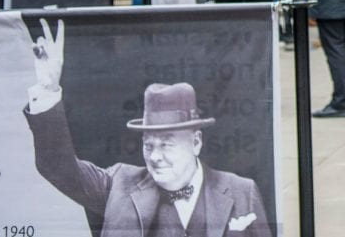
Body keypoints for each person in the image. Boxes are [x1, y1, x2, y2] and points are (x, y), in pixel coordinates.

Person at [23, 19, 272, 236]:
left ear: (196, 142)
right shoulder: (117, 185)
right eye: (148, 144)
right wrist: (47, 91)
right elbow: (57, 167)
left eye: (166, 144)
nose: (154, 156)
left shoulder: (242, 192)